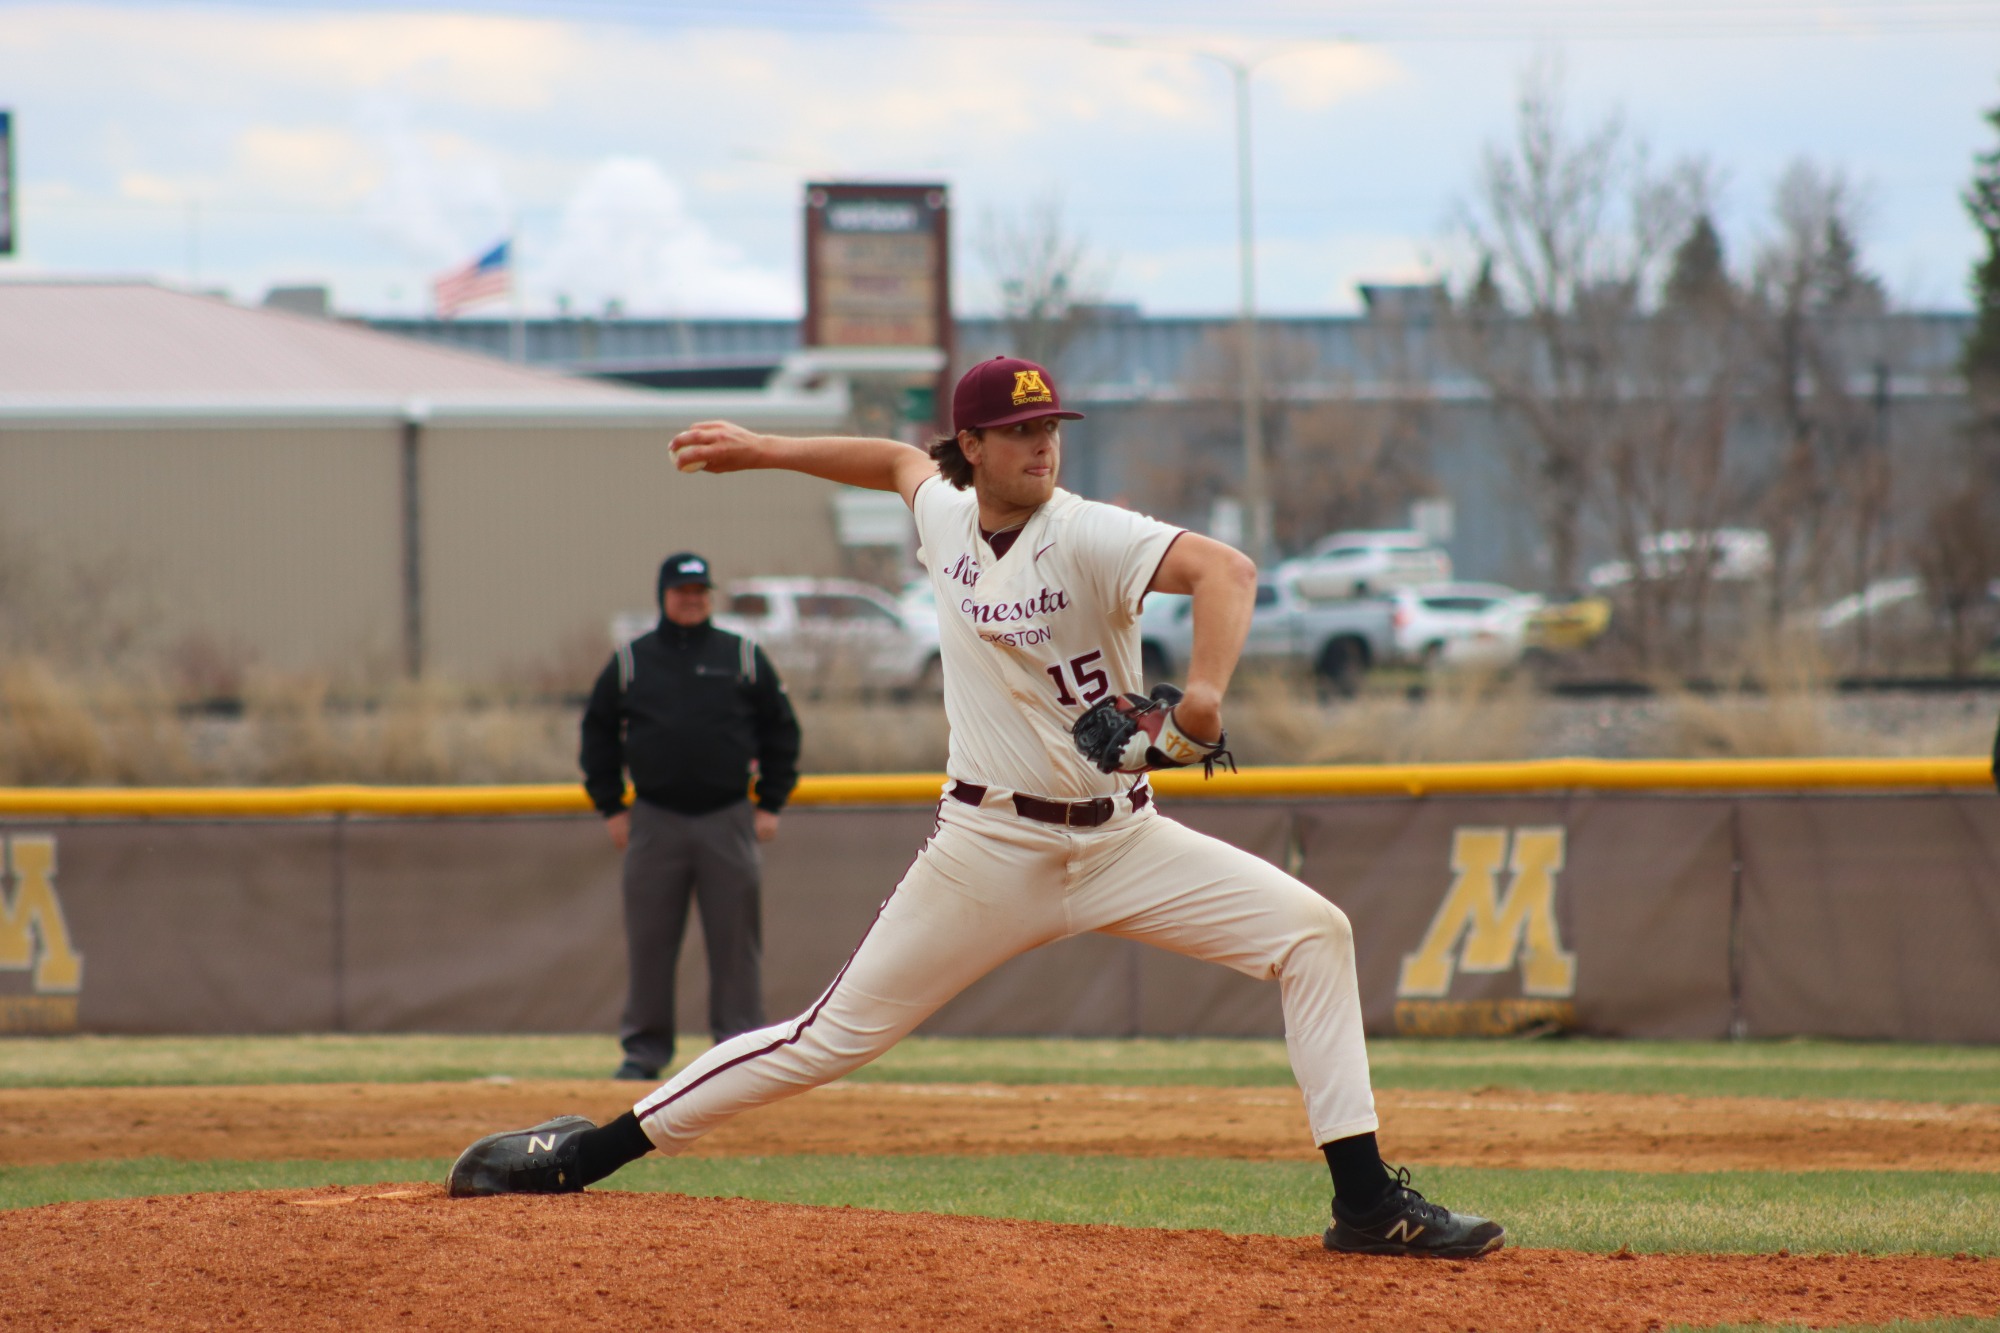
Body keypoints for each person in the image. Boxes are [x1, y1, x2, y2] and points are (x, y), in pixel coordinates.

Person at [450, 356, 1505, 1259]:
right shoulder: (944, 512)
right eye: (1016, 429)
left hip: (1123, 839)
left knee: (1313, 934)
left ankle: (1365, 1204)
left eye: (1049, 426)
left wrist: (1204, 699)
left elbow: (1226, 570)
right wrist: (764, 446)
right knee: (827, 1039)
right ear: (971, 444)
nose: (1041, 444)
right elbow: (890, 462)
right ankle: (585, 1153)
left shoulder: (1088, 532)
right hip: (987, 846)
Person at [579, 551, 801, 1081]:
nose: (692, 599)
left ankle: (738, 1049)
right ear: (664, 595)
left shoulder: (742, 655)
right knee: (650, 940)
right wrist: (611, 805)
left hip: (728, 817)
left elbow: (781, 730)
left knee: (735, 943)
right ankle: (644, 1052)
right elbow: (597, 733)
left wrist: (770, 801)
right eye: (683, 591)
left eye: (700, 591)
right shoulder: (633, 661)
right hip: (654, 819)